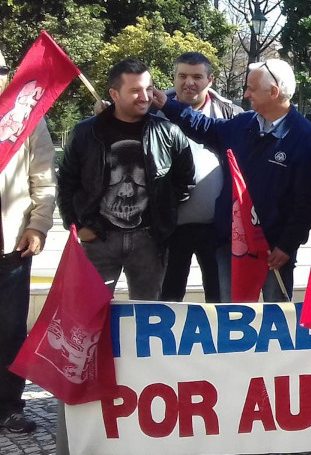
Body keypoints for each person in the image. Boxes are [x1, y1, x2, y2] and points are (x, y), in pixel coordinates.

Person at [152, 59, 311, 302]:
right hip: (232, 243)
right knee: (232, 315)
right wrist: (169, 106)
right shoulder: (244, 124)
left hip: (274, 249)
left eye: (252, 89)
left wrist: (287, 245)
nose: (246, 95)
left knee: (276, 315)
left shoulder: (305, 138)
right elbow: (206, 128)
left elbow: (308, 201)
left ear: (273, 92)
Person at [59, 59, 194, 299]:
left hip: (150, 244)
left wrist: (162, 219)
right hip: (98, 240)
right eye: (135, 90)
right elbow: (67, 182)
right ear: (114, 94)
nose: (145, 97)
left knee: (148, 318)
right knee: (91, 314)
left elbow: (185, 181)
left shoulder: (169, 133)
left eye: (149, 88)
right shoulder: (86, 133)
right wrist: (77, 225)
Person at [0, 57, 56, 434]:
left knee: (9, 330)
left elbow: (45, 181)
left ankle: (9, 406)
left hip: (11, 247)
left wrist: (37, 226)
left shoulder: (27, 119)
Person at [159, 52, 242, 302]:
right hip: (168, 228)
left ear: (210, 80)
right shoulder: (152, 112)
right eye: (182, 76)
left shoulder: (231, 114)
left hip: (217, 228)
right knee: (167, 298)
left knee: (220, 298)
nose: (189, 82)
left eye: (197, 76)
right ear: (173, 78)